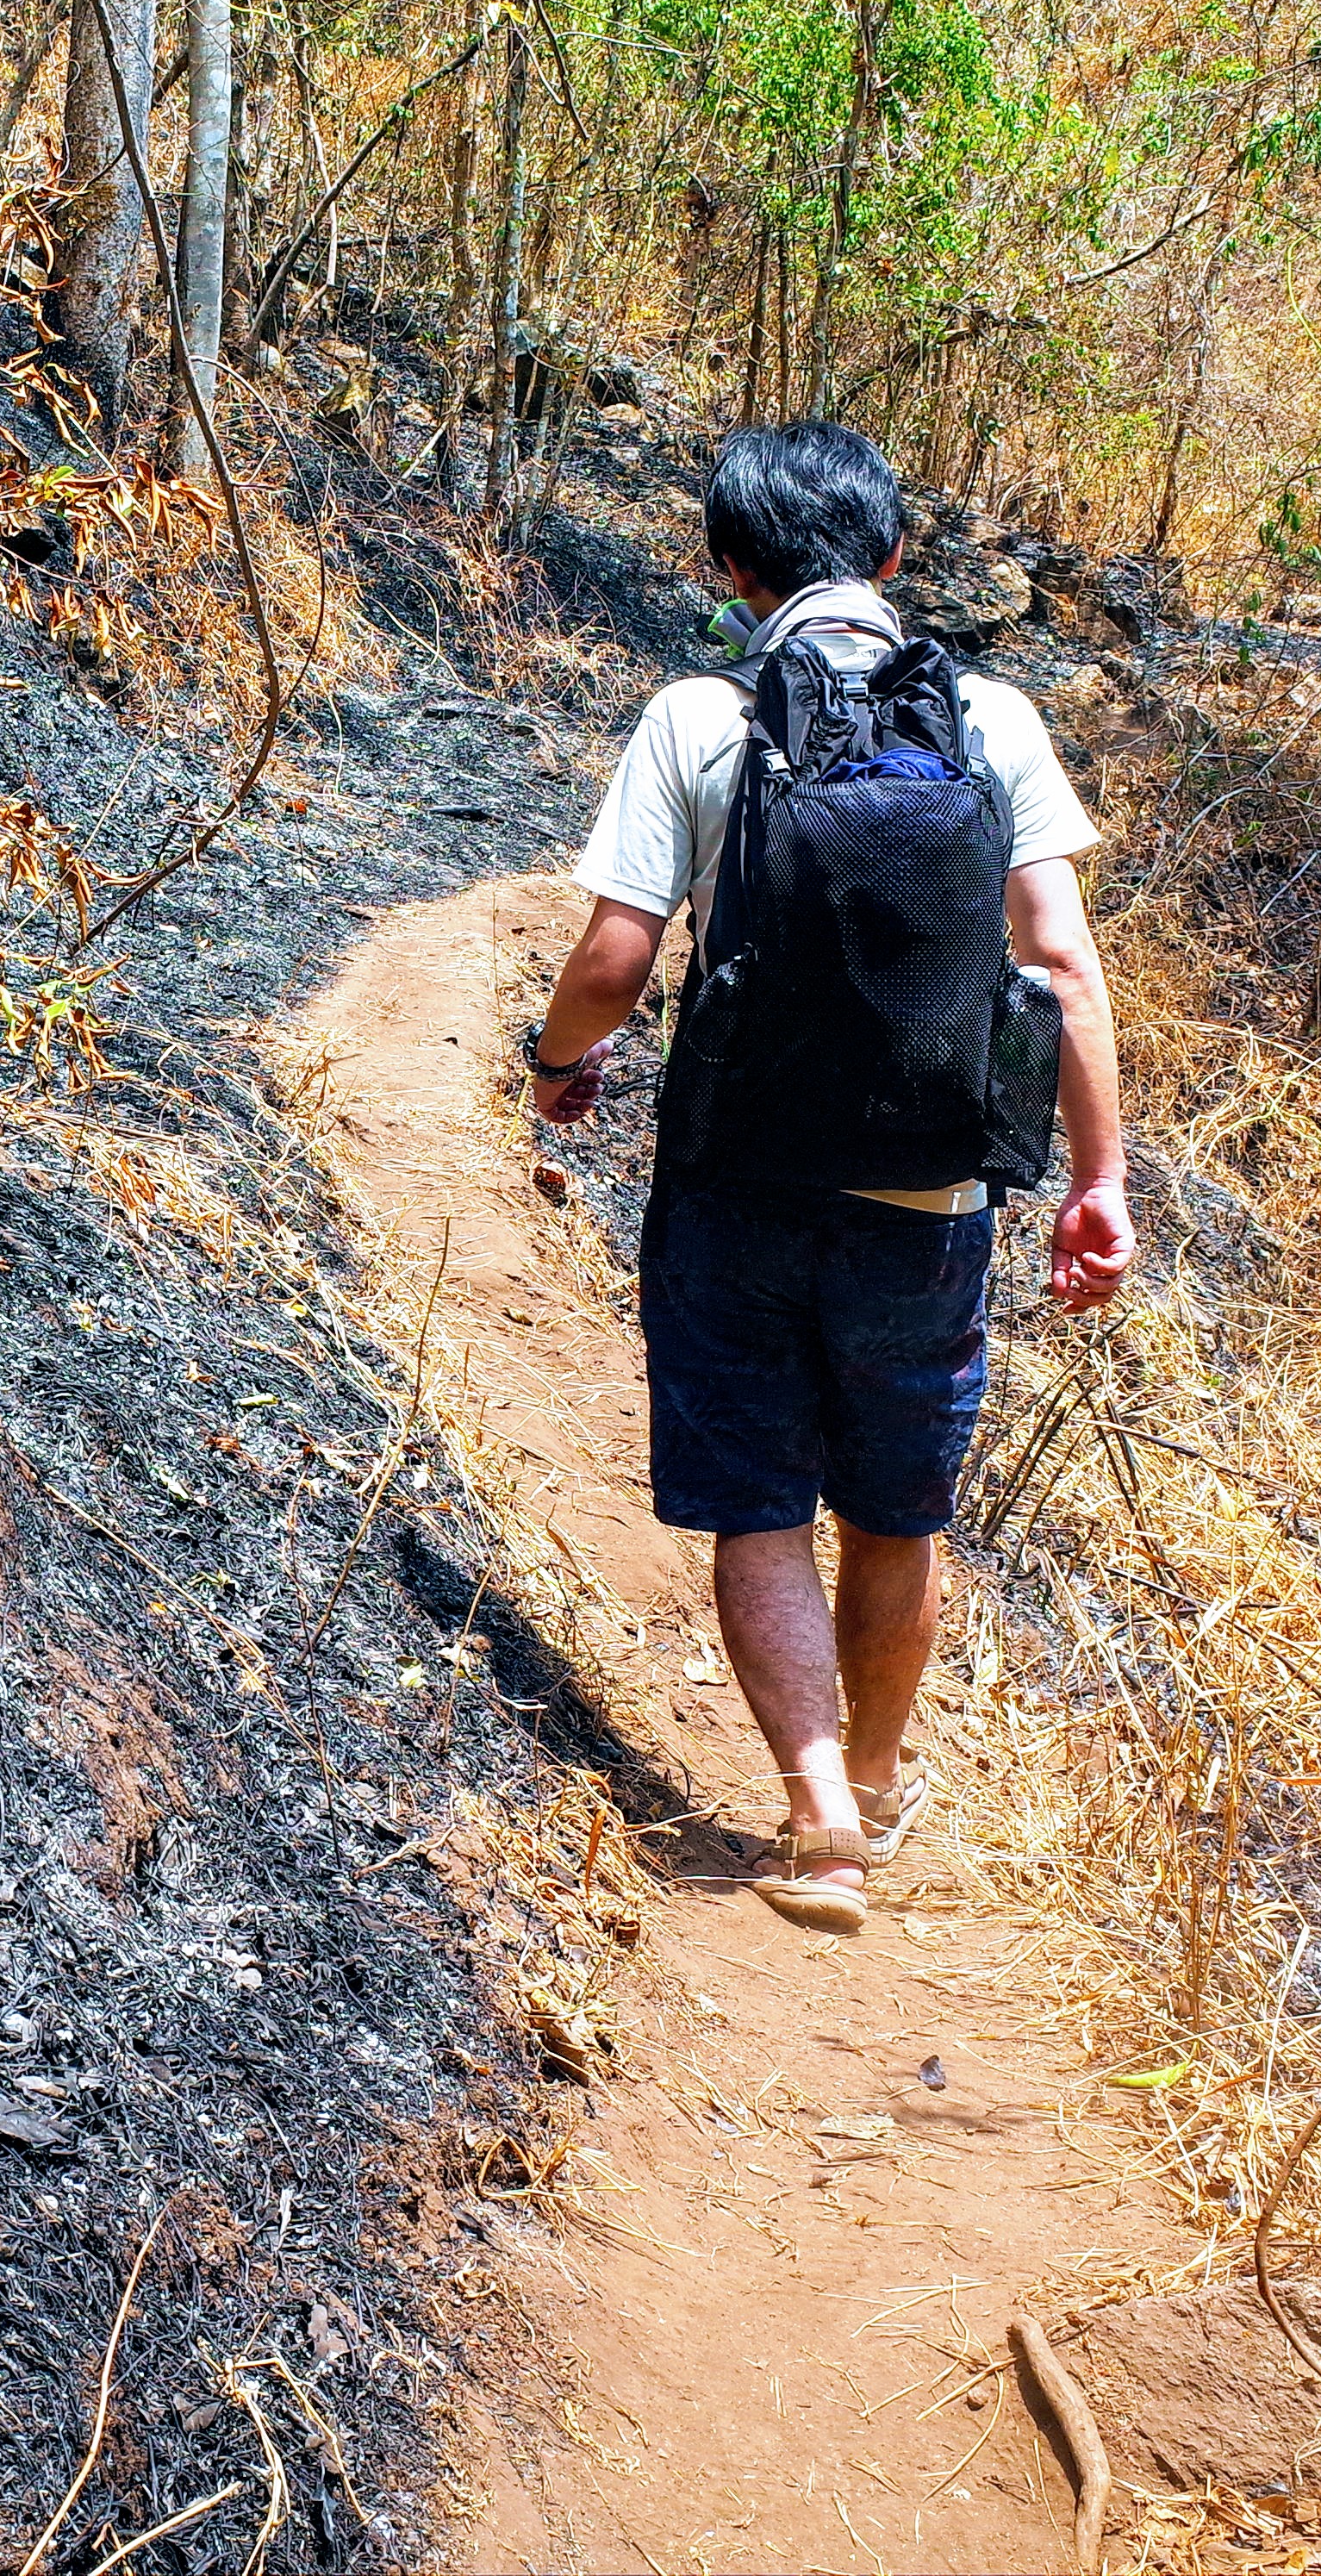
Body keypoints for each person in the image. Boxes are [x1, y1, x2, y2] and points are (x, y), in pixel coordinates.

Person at [520, 419, 1132, 1935]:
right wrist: (1097, 1178)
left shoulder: (696, 717)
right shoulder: (989, 716)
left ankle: (819, 1816)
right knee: (895, 1509)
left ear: (729, 571)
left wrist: (555, 1063)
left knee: (758, 1503)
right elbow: (1061, 964)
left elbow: (614, 957)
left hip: (738, 1179)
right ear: (897, 556)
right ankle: (878, 1768)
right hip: (930, 1194)